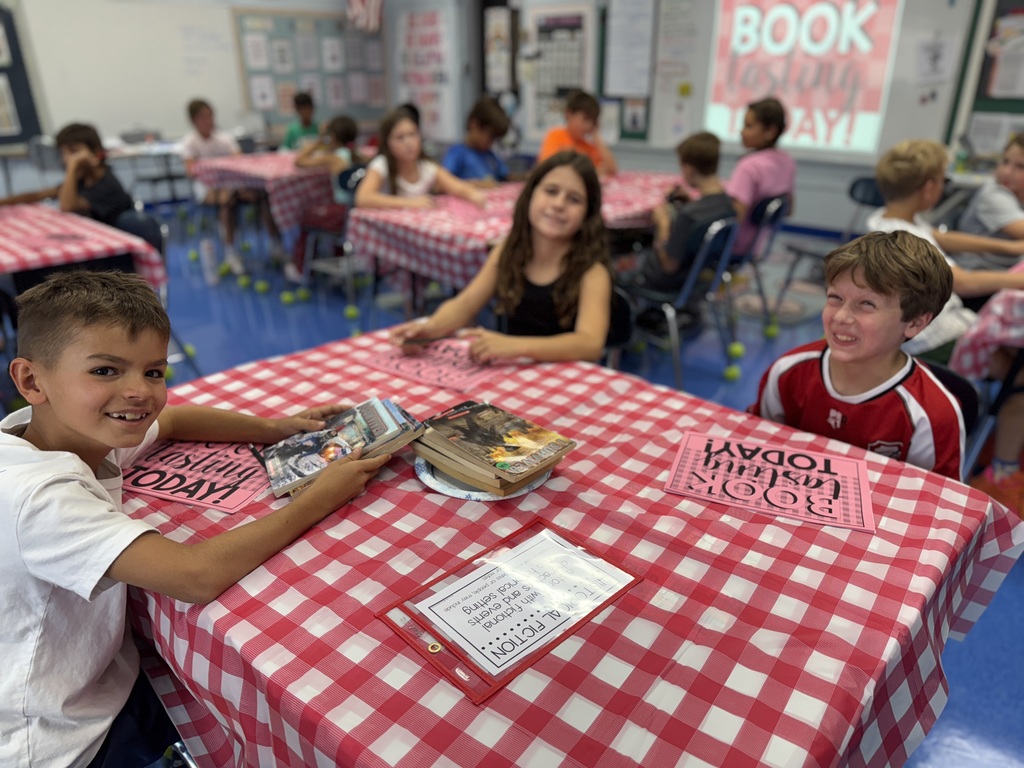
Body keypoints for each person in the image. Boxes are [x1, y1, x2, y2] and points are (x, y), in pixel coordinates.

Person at [0, 270, 390, 768]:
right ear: (31, 380)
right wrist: (319, 497)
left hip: (101, 677)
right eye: (105, 371)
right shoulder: (37, 495)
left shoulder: (64, 430)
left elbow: (177, 419)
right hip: (65, 738)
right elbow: (194, 576)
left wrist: (277, 429)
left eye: (154, 372)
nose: (139, 392)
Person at [868, 139, 1024, 508]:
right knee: (1019, 377)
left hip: (936, 325)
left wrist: (1013, 249)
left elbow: (940, 237)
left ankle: (998, 440)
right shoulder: (907, 236)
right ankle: (1001, 469)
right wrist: (1018, 279)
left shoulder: (889, 219)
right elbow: (963, 281)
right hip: (931, 337)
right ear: (929, 188)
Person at [750, 231, 965, 481]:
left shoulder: (932, 415)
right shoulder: (788, 371)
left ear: (915, 323)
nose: (841, 316)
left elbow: (939, 506)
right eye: (835, 298)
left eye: (867, 304)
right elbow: (757, 448)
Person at [389, 151, 613, 363]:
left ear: (588, 215)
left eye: (574, 199)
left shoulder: (592, 272)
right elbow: (466, 303)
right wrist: (430, 328)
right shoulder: (510, 250)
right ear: (530, 194)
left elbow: (589, 344)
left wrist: (515, 346)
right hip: (514, 375)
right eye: (551, 191)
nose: (558, 204)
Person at [623, 131, 736, 296]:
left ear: (689, 169)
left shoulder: (687, 216)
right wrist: (690, 201)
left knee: (627, 256)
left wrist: (663, 224)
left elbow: (669, 265)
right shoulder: (728, 204)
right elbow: (703, 214)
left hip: (669, 282)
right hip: (699, 274)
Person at [181, 98, 285, 275]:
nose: (209, 120)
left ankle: (277, 245)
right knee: (227, 201)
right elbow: (191, 171)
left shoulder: (224, 138)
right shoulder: (189, 142)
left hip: (235, 186)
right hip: (207, 189)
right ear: (194, 120)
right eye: (203, 117)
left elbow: (240, 162)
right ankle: (231, 252)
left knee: (264, 194)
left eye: (210, 115)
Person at [0, 123, 134, 227]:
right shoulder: (82, 180)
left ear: (96, 154)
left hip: (113, 251)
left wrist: (72, 168)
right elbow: (38, 195)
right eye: (63, 153)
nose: (66, 159)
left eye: (73, 151)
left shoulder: (107, 184)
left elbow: (67, 207)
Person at [354, 106, 486, 210]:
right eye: (400, 137)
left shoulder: (427, 167)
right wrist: (410, 203)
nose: (409, 142)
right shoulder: (381, 165)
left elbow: (457, 186)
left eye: (413, 134)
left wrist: (473, 194)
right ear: (387, 143)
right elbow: (363, 198)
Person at [286, 115, 363, 283]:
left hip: (342, 213)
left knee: (306, 217)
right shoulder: (358, 156)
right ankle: (338, 262)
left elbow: (299, 161)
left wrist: (318, 141)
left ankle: (301, 269)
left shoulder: (333, 157)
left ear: (332, 137)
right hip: (357, 212)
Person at [725, 96, 796, 256]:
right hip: (759, 244)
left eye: (749, 126)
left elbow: (736, 217)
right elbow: (789, 209)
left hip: (735, 246)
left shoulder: (748, 166)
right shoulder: (787, 162)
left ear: (770, 131)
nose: (742, 131)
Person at [952, 134, 1024, 272]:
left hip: (1005, 275)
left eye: (1020, 166)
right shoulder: (993, 195)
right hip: (976, 278)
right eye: (1005, 161)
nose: (1007, 172)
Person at [537, 90, 617, 177]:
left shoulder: (587, 146)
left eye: (593, 121)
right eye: (585, 119)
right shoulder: (555, 135)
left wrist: (596, 137)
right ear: (569, 114)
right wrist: (592, 171)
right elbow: (548, 167)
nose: (588, 126)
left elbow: (612, 169)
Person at [442, 95, 510, 187]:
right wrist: (475, 184)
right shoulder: (457, 153)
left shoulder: (490, 155)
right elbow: (443, 184)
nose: (492, 142)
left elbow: (505, 176)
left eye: (495, 138)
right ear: (474, 125)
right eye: (490, 136)